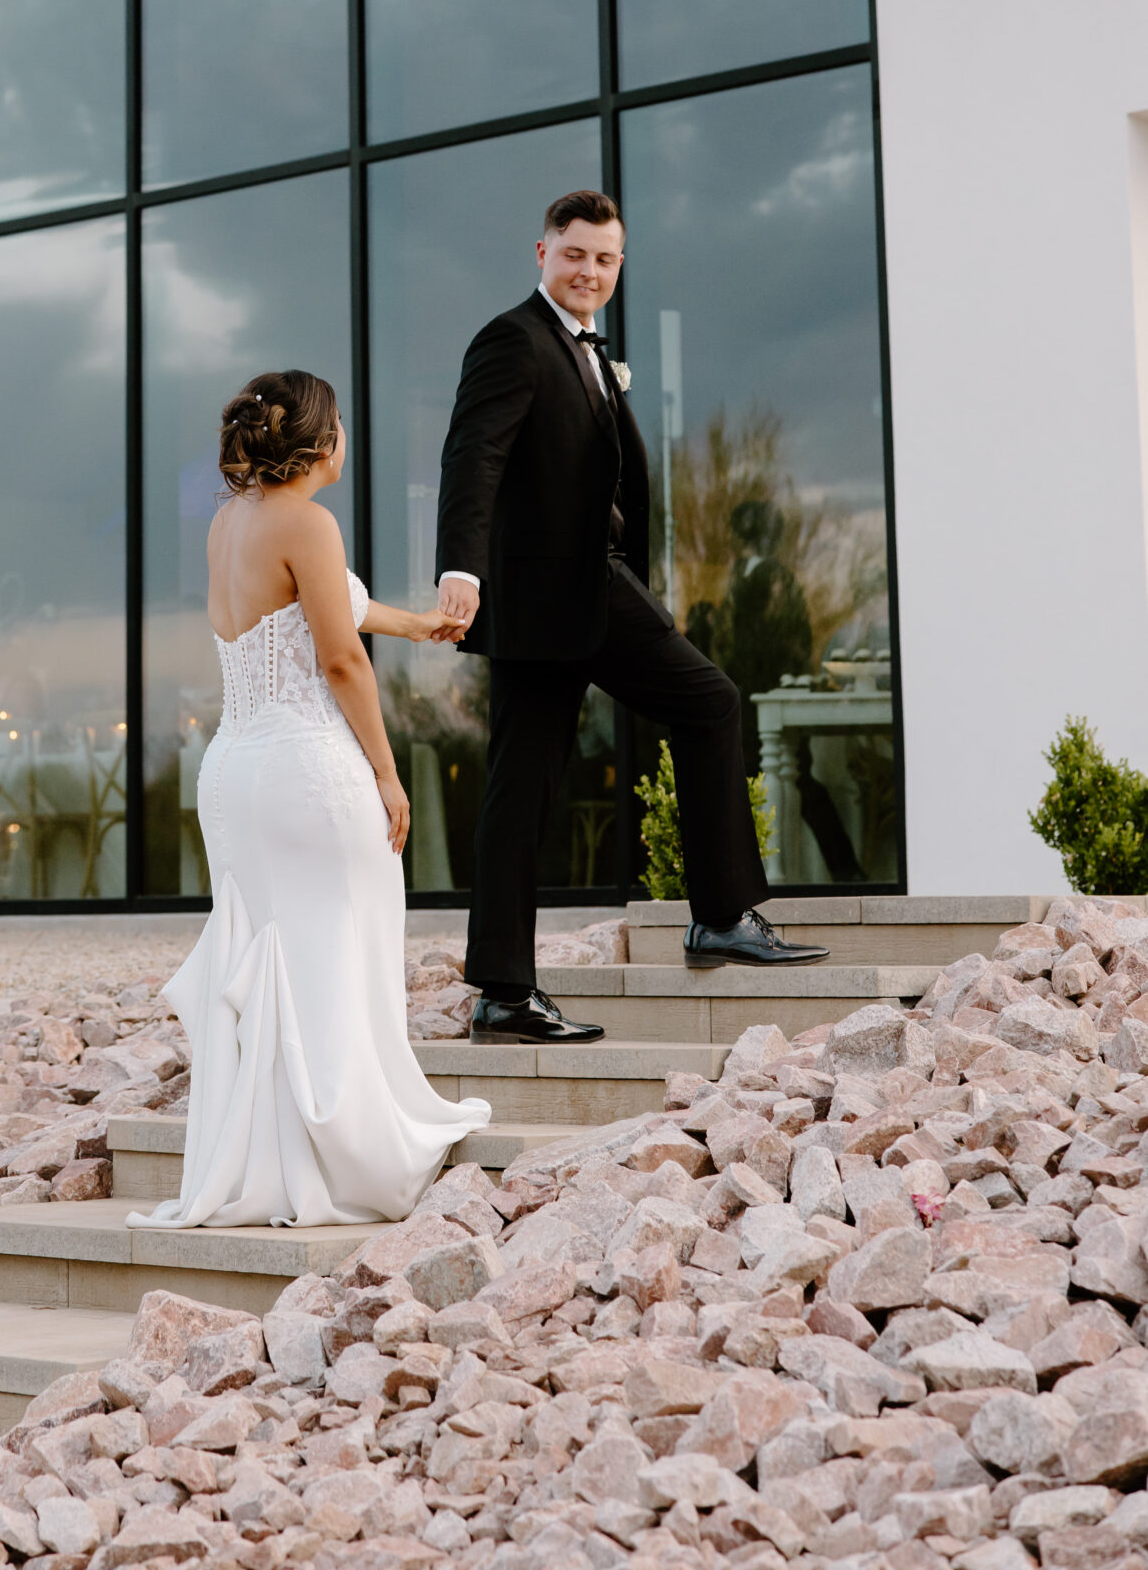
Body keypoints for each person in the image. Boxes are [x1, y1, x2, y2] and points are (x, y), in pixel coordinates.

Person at [435, 187, 828, 1046]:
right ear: (541, 253)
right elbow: (474, 455)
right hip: (552, 591)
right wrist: (460, 566)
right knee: (696, 707)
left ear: (619, 267)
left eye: (605, 259)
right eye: (574, 253)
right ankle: (712, 917)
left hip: (590, 586)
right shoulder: (512, 339)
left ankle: (508, 990)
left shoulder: (585, 350)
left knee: (529, 783)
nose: (589, 271)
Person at [127, 369, 490, 1229]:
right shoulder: (310, 521)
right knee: (337, 945)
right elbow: (337, 658)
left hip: (234, 771)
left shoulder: (231, 523)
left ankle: (266, 1159)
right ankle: (345, 1154)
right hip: (304, 767)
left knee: (273, 952)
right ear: (323, 442)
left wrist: (421, 625)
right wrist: (387, 770)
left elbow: (325, 610)